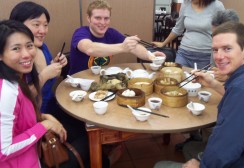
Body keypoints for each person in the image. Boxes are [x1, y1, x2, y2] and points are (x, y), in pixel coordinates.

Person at [154, 22, 244, 168]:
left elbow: (226, 149)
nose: (219, 57)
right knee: (190, 148)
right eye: (215, 50)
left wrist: (200, 166)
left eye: (227, 49)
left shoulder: (243, 89)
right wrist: (212, 83)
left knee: (160, 165)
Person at [9, 2, 94, 167]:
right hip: (32, 120)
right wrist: (44, 75)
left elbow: (45, 83)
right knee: (86, 140)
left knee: (88, 127)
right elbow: (21, 100)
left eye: (45, 25)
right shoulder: (16, 60)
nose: (43, 30)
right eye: (36, 24)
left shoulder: (40, 47)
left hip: (50, 110)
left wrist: (54, 65)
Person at [0, 19, 66, 168]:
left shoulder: (17, 79)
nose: (26, 54)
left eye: (29, 46)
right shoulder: (7, 91)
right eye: (16, 48)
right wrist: (45, 125)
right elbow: (4, 151)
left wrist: (42, 117)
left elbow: (18, 121)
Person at [69, 0, 166, 75]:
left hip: (101, 80)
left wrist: (150, 55)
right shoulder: (80, 32)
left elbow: (134, 47)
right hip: (78, 83)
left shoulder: (111, 33)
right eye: (98, 18)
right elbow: (90, 49)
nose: (102, 23)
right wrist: (122, 47)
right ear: (88, 18)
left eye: (106, 18)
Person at [152, 0, 224, 69]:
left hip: (205, 56)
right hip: (184, 54)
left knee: (200, 81)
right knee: (179, 79)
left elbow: (223, 32)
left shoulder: (217, 6)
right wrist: (163, 43)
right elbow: (178, 29)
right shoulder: (186, 4)